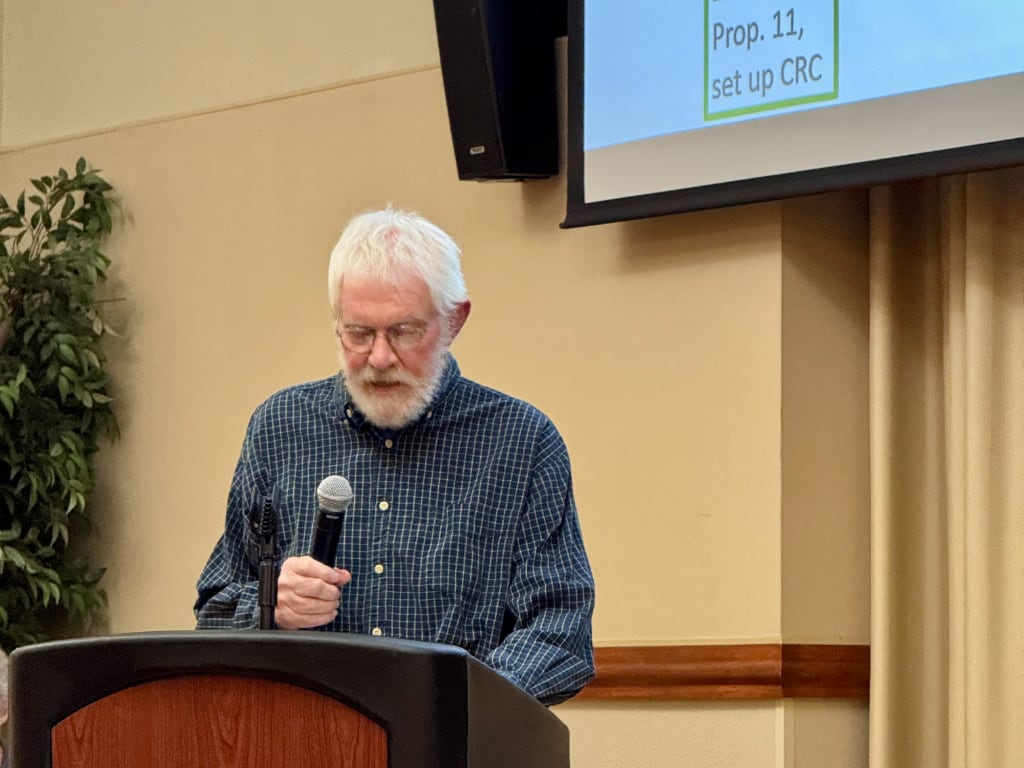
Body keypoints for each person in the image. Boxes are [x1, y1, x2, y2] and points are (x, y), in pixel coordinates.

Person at [194, 206, 596, 705]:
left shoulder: (521, 441)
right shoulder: (280, 427)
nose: (380, 358)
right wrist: (269, 603)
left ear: (454, 320)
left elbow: (561, 631)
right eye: (358, 333)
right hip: (304, 741)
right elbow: (214, 607)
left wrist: (451, 708)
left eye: (405, 332)